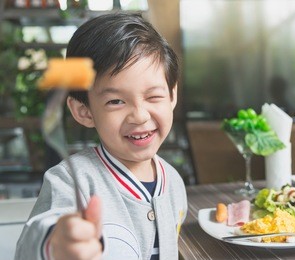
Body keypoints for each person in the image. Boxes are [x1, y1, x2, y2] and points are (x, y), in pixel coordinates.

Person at [15, 13, 187, 260]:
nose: (139, 116)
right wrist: (55, 243)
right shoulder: (70, 181)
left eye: (153, 97)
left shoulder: (173, 181)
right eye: (115, 101)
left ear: (172, 95)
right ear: (84, 111)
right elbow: (33, 243)